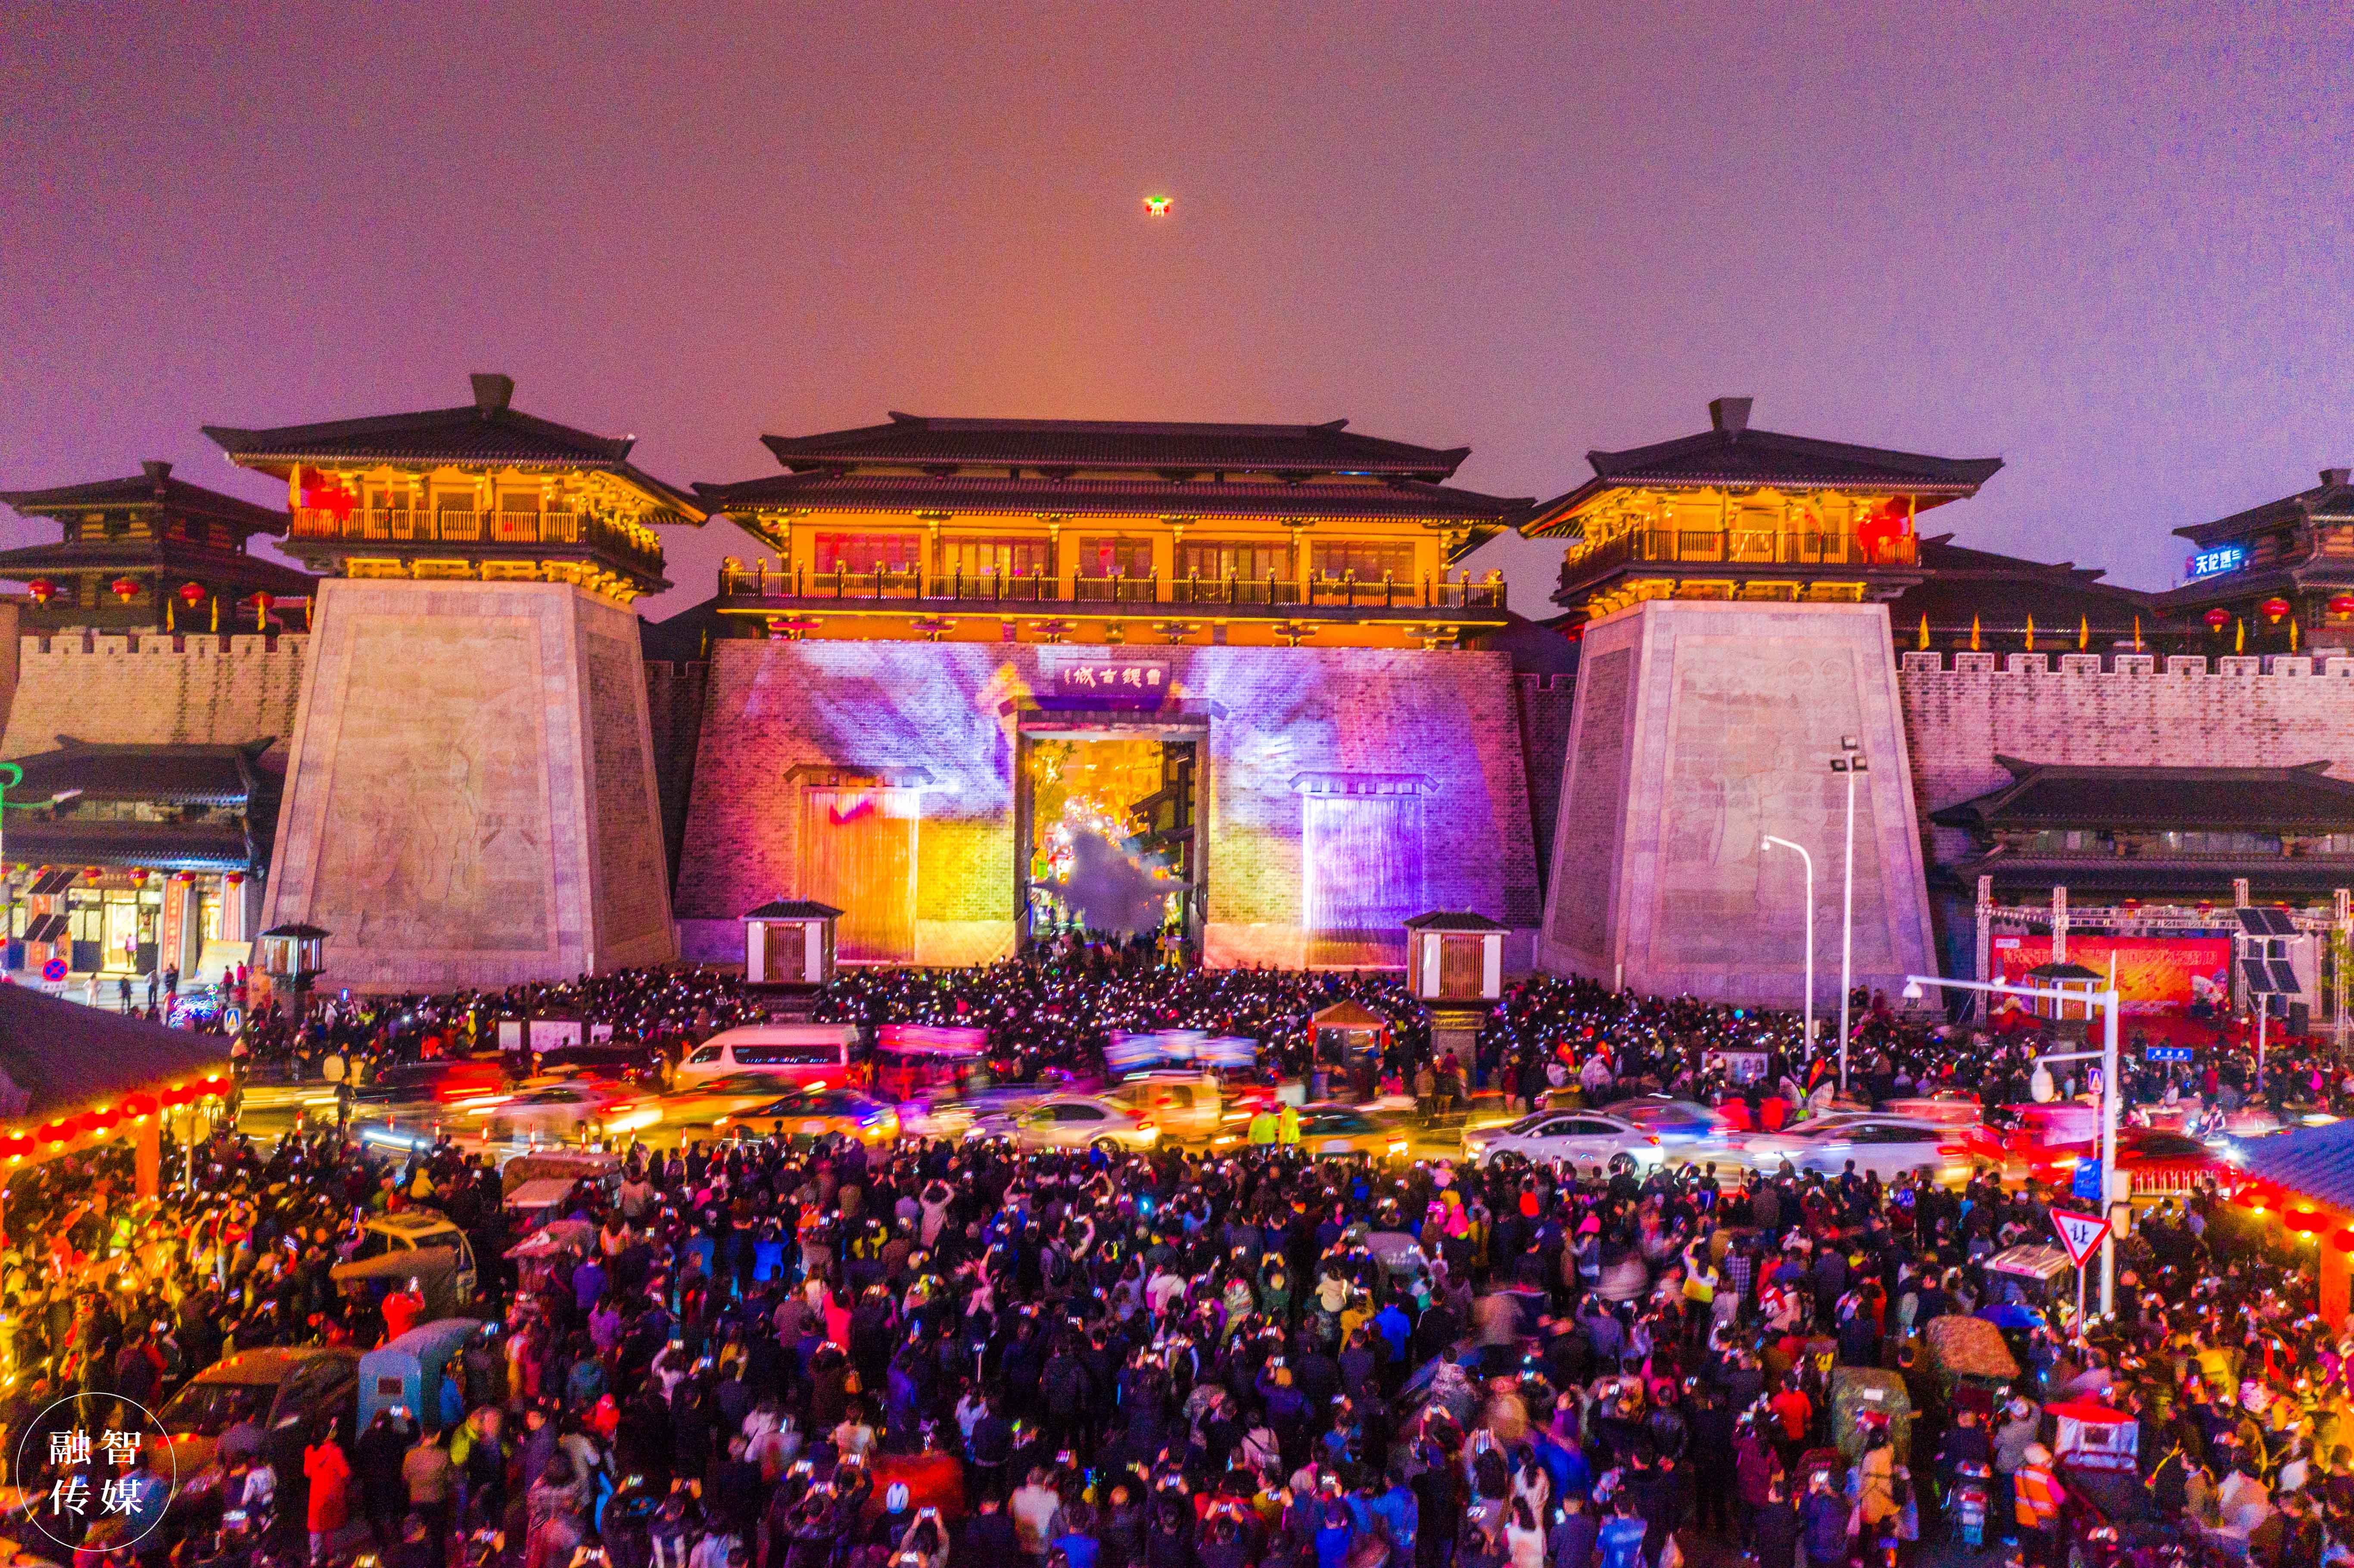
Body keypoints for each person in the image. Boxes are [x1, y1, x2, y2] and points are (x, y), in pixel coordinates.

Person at [306, 1428, 353, 1566]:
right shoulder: (336, 1452)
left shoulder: (311, 1452)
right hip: (333, 1497)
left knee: (316, 1528)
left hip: (316, 1498)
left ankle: (315, 1557)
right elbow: (346, 1474)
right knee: (331, 1529)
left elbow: (307, 1472)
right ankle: (332, 1557)